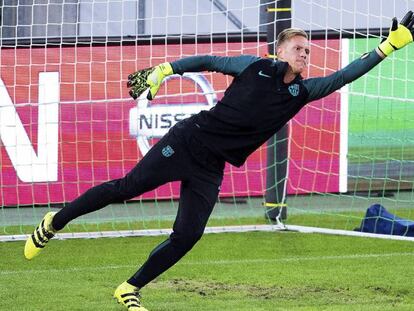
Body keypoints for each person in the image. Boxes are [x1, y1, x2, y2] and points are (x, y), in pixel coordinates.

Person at [24, 12, 414, 311]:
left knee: (188, 235)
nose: (305, 54)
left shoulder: (302, 91)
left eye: (308, 50)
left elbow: (346, 74)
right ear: (278, 52)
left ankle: (129, 288)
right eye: (298, 48)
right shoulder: (253, 66)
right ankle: (53, 222)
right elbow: (210, 59)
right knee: (125, 189)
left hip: (211, 167)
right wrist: (166, 69)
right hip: (187, 141)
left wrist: (387, 46)